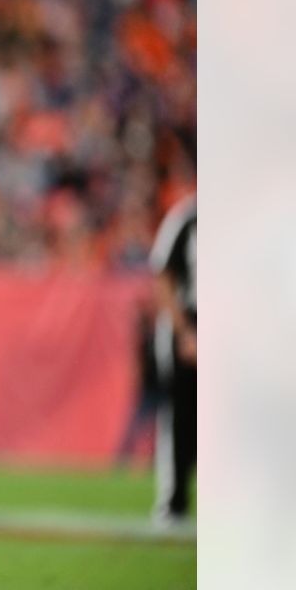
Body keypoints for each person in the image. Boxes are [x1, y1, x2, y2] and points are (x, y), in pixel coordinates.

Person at [149, 193, 196, 525]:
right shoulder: (187, 217)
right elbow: (163, 276)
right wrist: (184, 332)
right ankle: (173, 502)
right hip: (190, 324)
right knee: (180, 416)